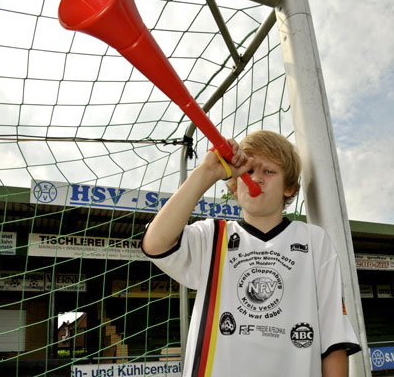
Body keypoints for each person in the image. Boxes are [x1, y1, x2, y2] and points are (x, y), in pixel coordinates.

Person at [141, 130, 361, 377]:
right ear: (235, 187)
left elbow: (333, 340)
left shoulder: (314, 240)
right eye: (248, 172)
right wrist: (207, 172)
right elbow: (156, 243)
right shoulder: (213, 234)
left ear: (289, 188)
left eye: (268, 171)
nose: (256, 179)